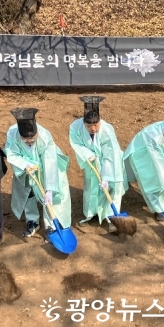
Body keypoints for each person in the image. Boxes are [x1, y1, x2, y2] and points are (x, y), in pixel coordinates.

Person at [5, 108, 71, 238]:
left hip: (49, 170)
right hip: (26, 170)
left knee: (49, 198)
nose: (29, 141)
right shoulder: (12, 133)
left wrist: (50, 189)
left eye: (32, 138)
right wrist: (25, 164)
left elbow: (50, 162)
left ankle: (52, 225)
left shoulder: (45, 137)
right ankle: (32, 221)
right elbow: (11, 152)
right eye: (25, 139)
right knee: (28, 192)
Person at [69, 96, 126, 233]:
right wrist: (87, 154)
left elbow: (110, 155)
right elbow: (76, 143)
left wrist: (106, 177)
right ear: (83, 122)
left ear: (100, 121)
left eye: (96, 125)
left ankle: (112, 218)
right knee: (91, 187)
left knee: (113, 189)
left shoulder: (107, 130)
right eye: (89, 126)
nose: (93, 128)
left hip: (112, 164)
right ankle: (91, 214)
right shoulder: (75, 127)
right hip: (91, 162)